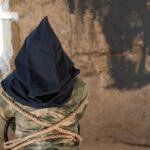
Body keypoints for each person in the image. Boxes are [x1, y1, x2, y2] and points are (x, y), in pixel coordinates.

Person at [0, 16, 89, 150]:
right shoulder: (77, 86)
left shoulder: (10, 88)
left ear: (26, 55)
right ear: (57, 54)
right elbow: (79, 114)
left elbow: (8, 118)